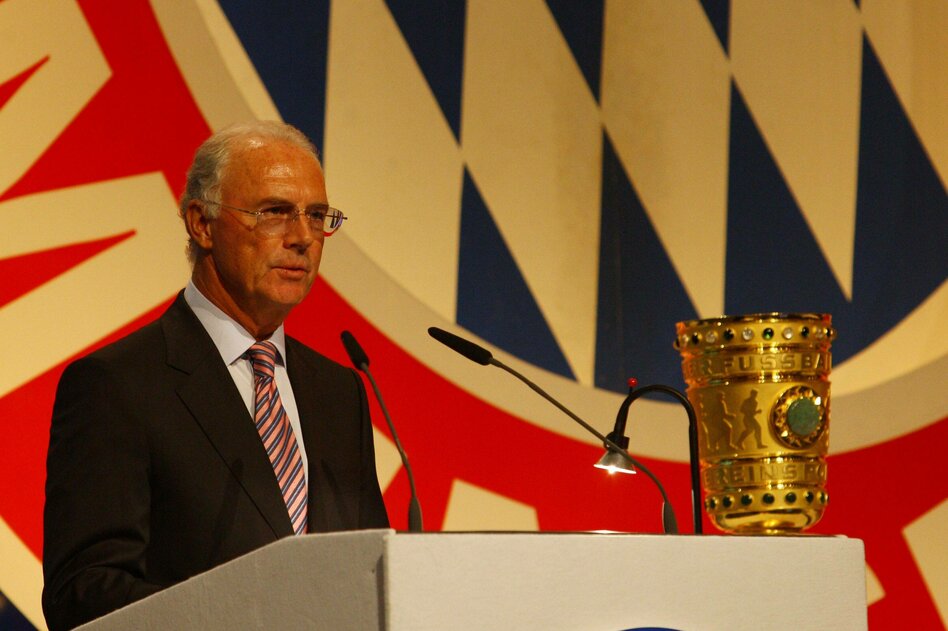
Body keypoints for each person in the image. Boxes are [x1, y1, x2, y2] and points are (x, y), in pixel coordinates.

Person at [42, 121, 389, 631]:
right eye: (274, 212)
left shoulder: (340, 393)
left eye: (316, 216)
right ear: (202, 224)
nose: (302, 238)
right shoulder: (117, 385)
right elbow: (84, 592)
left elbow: (371, 574)